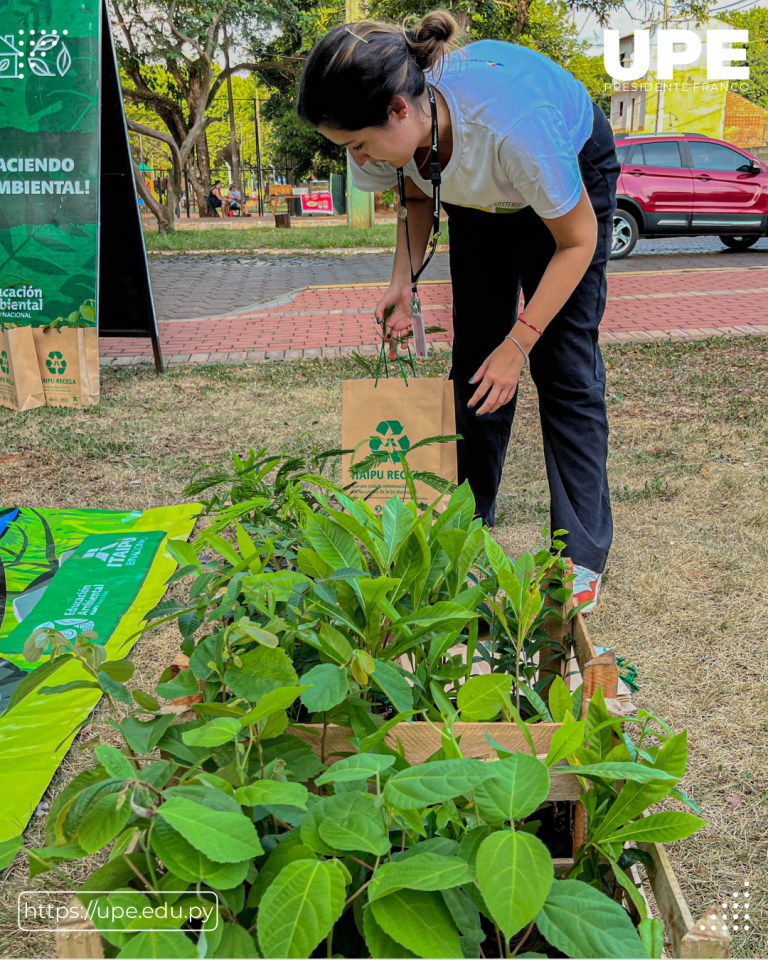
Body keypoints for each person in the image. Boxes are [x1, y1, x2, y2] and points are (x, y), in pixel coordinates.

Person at [297, 12, 620, 612]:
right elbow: (417, 187)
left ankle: (578, 556)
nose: (356, 159)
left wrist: (519, 343)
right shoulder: (399, 128)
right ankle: (466, 524)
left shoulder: (516, 124)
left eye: (358, 143)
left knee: (564, 365)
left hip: (563, 168)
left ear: (399, 109)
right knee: (474, 361)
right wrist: (404, 281)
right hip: (477, 183)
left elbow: (575, 243)